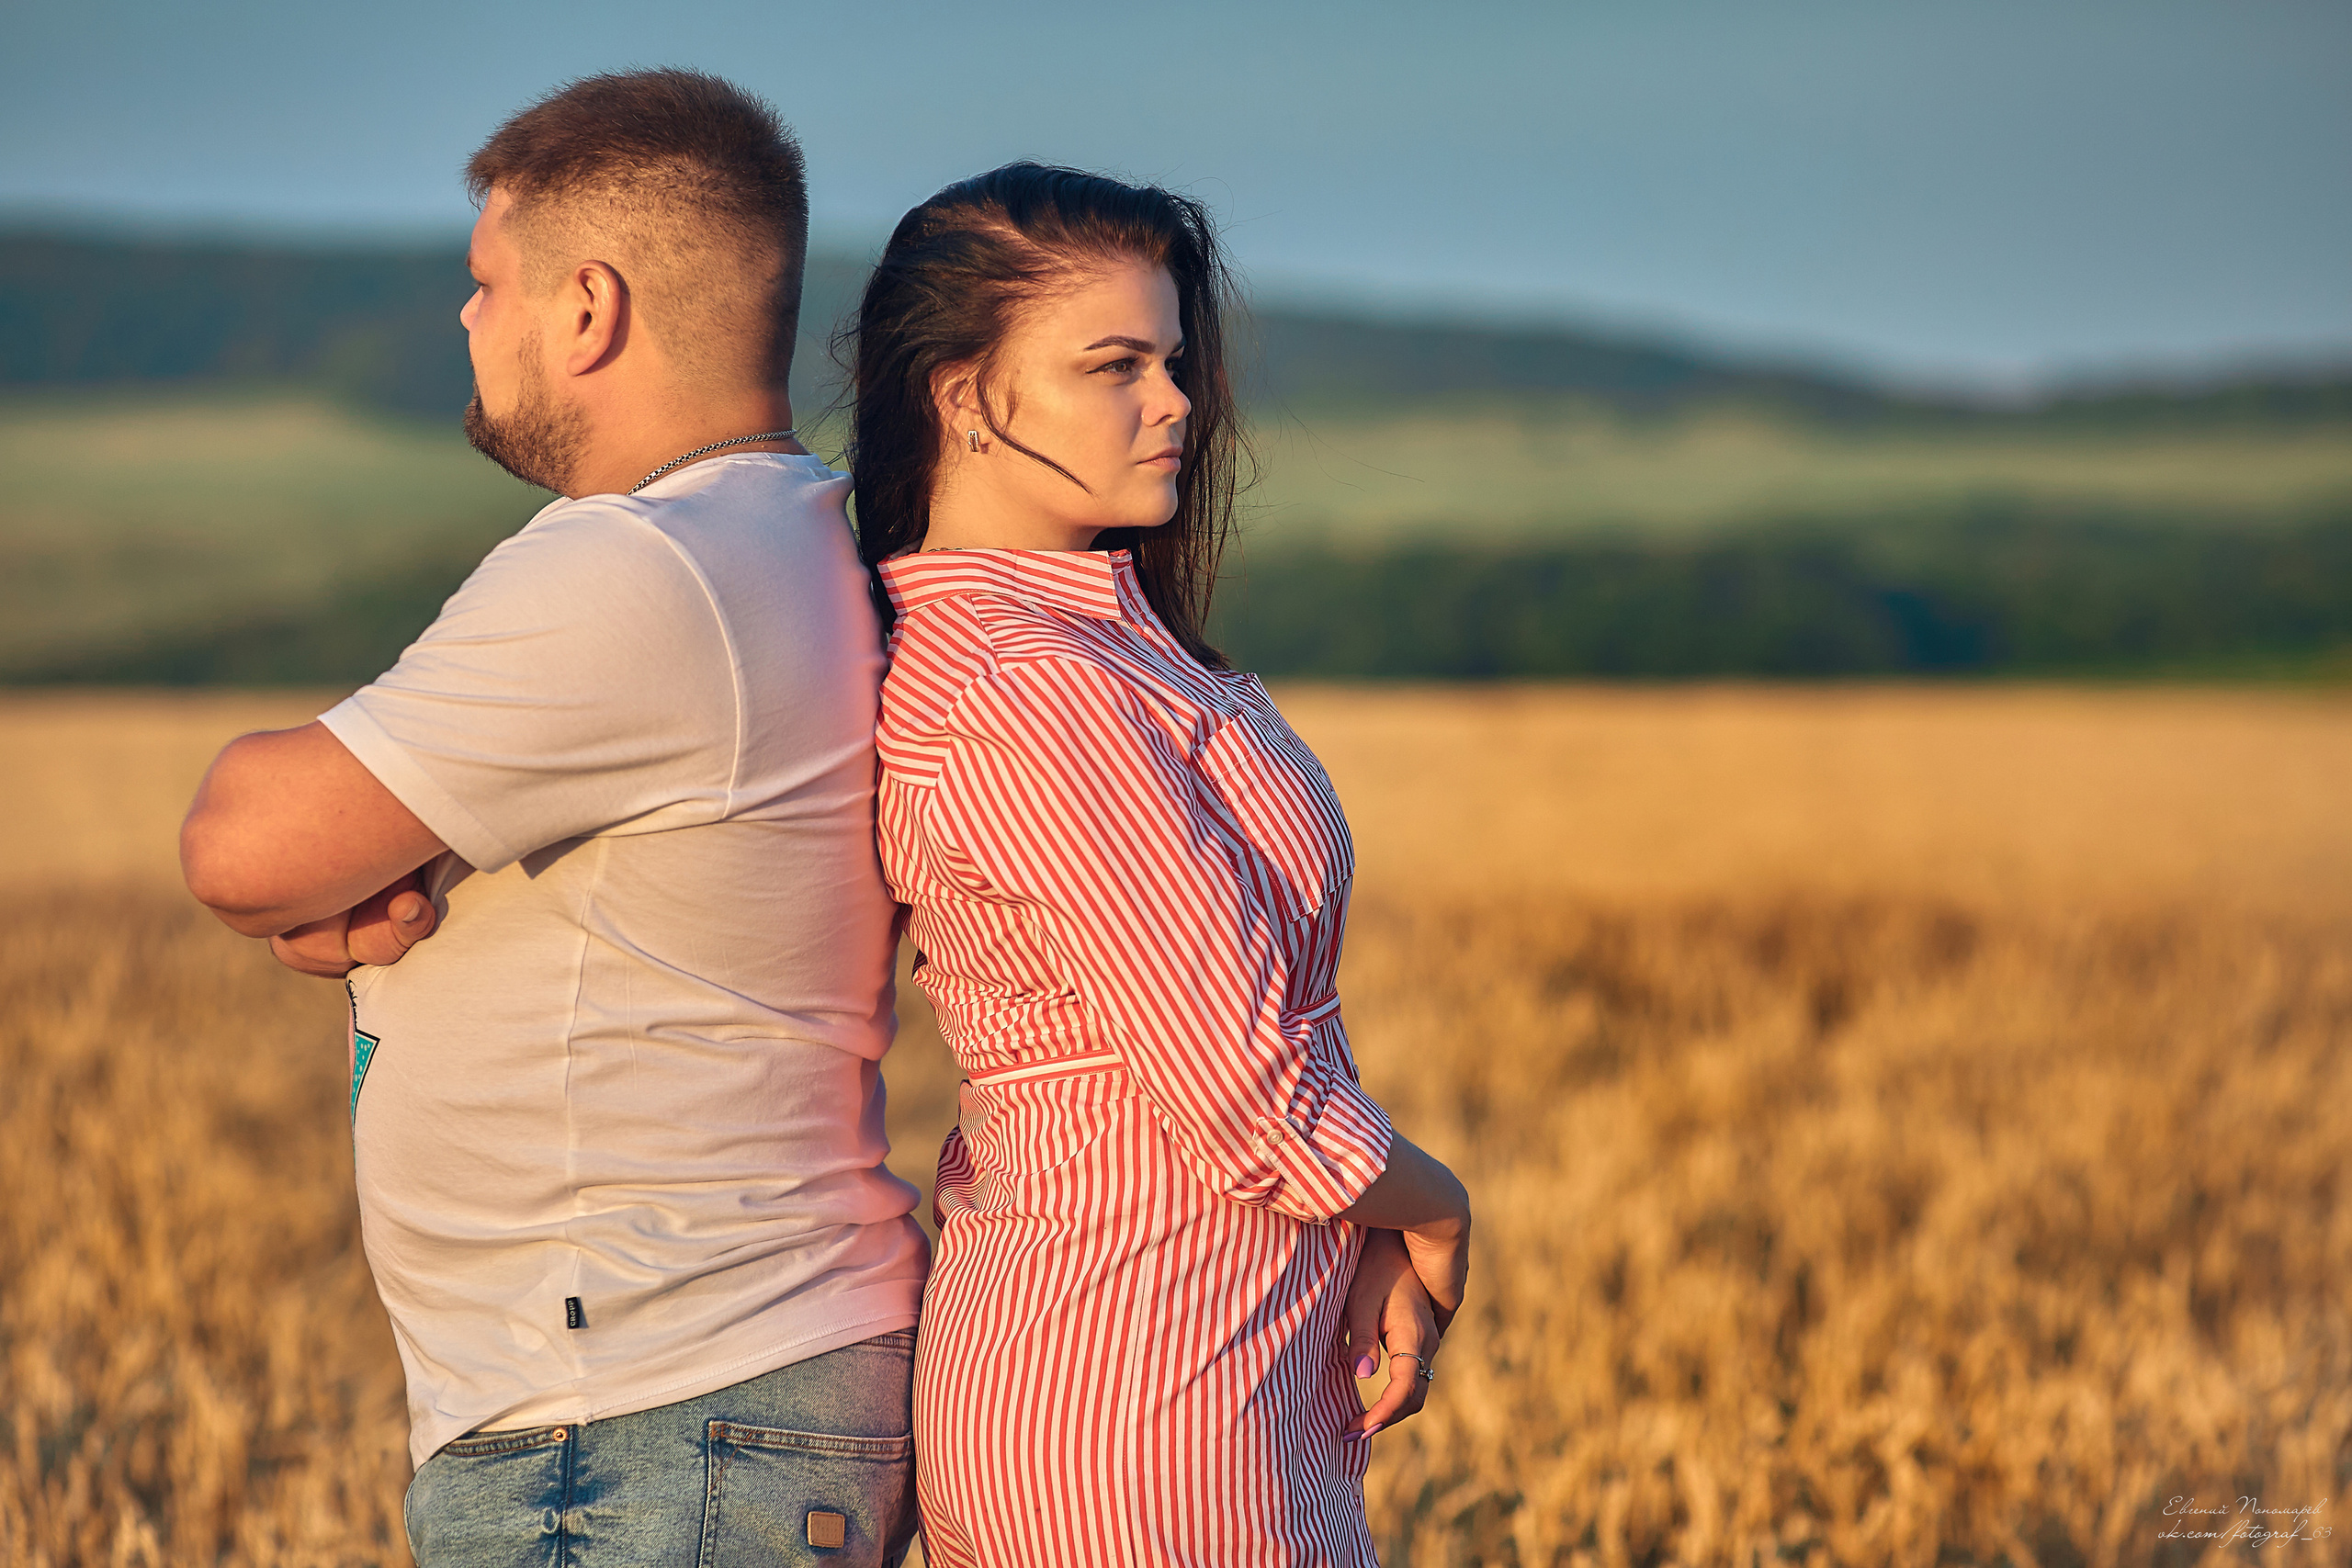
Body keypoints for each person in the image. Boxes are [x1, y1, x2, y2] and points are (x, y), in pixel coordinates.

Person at [179, 71, 926, 1567]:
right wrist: (362, 877)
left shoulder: (639, 569)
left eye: (485, 284)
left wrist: (335, 874)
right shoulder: (787, 543)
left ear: (588, 308)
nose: (468, 321)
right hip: (714, 1396)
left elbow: (240, 836)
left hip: (648, 1410)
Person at [844, 164, 1474, 1566]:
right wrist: (1433, 1205)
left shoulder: (1095, 643)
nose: (1177, 401)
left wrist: (1352, 1227)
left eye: (1173, 360)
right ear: (963, 399)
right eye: (1115, 365)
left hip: (1210, 1361)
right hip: (1135, 1384)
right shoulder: (1025, 685)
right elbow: (1249, 1087)